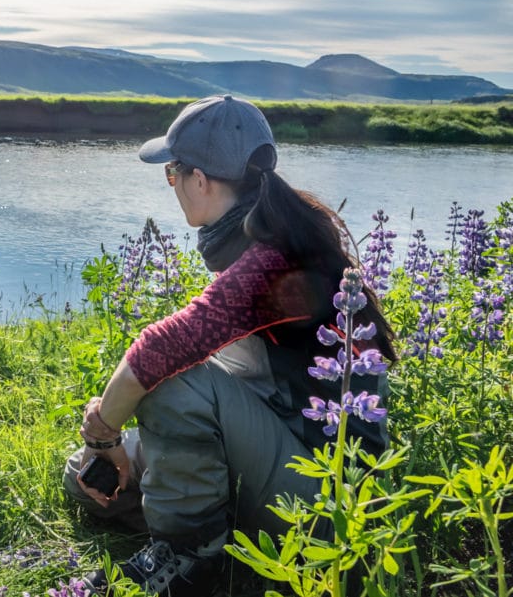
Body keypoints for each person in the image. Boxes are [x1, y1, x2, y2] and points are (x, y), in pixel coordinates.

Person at [64, 95, 396, 596]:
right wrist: (103, 452)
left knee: (170, 380)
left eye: (172, 172)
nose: (171, 185)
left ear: (200, 179)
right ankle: (222, 532)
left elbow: (160, 350)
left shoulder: (274, 258)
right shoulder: (264, 229)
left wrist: (104, 430)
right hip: (276, 448)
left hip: (330, 501)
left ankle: (190, 555)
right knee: (83, 477)